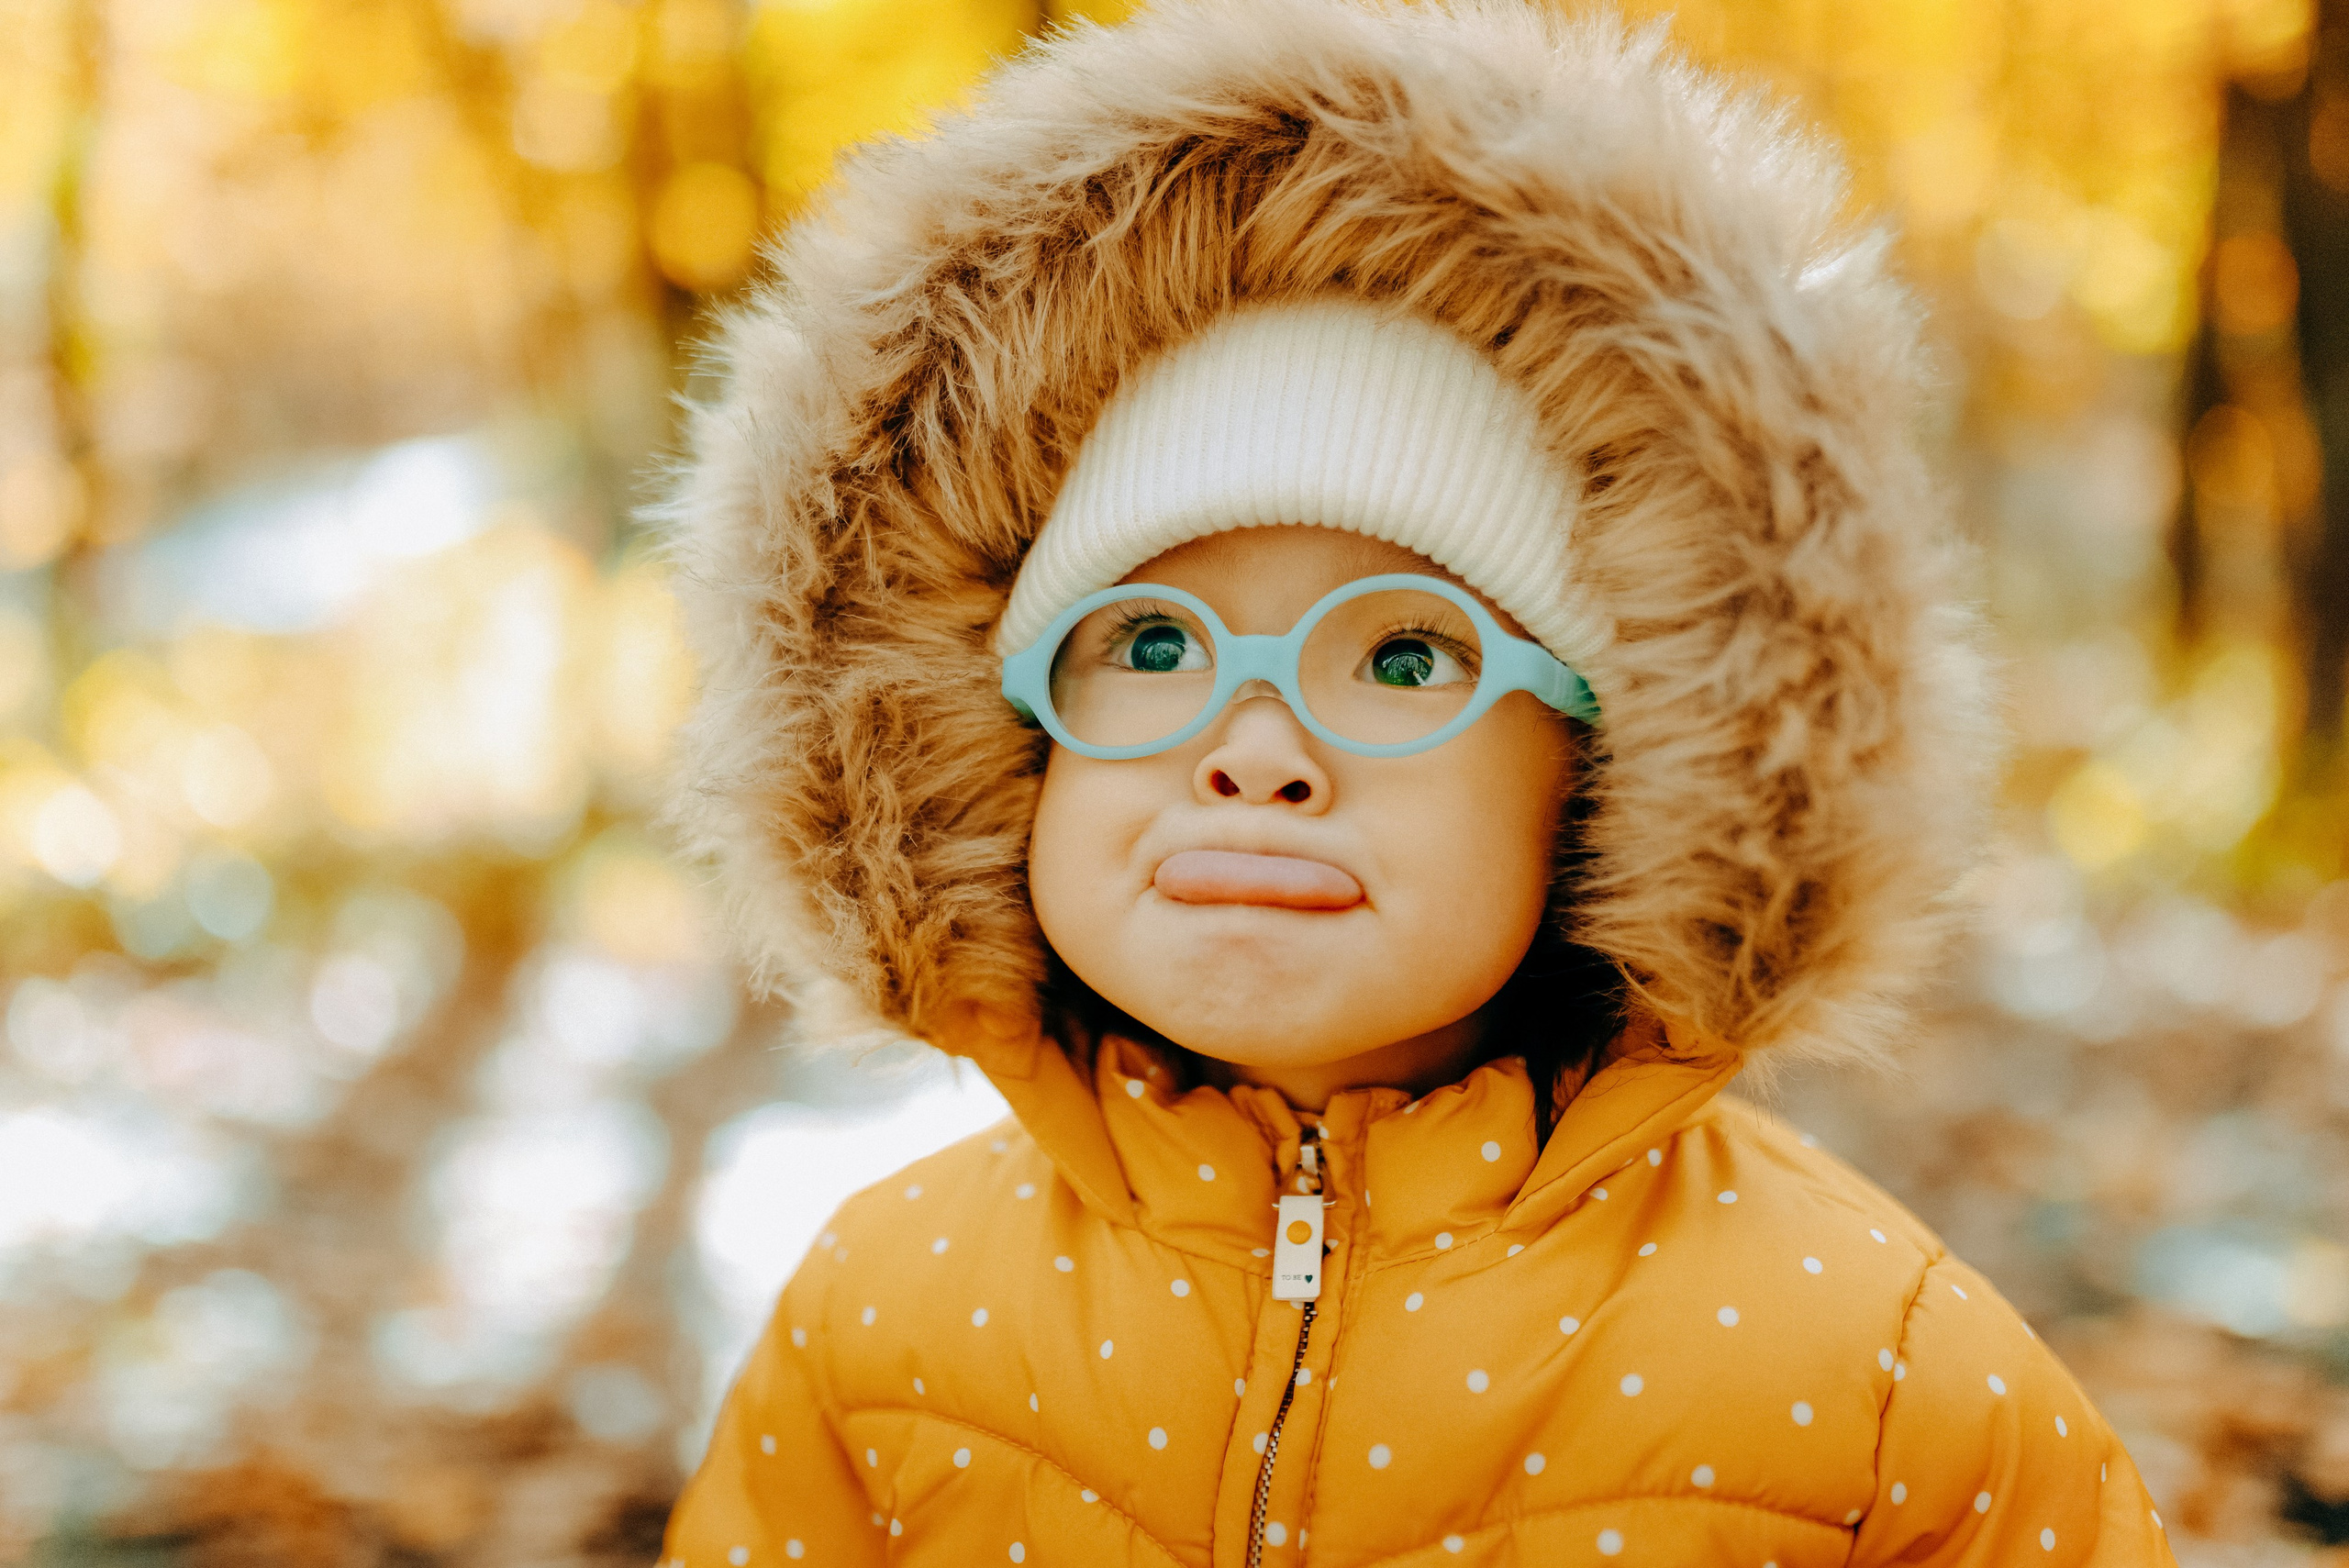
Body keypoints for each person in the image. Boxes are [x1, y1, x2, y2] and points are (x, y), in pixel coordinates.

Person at [653, 0, 2176, 1562]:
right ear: (1001, 739)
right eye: (1153, 643)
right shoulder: (883, 1324)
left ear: (1615, 772)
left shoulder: (1873, 1381)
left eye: (1404, 657)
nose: (1254, 752)